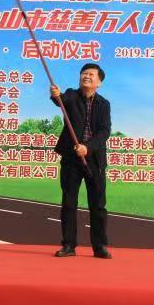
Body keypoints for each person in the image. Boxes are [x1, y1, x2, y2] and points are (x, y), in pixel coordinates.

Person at [50, 63, 112, 259]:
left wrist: (88, 147)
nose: (86, 76)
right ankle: (69, 245)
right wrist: (55, 94)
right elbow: (61, 100)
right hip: (71, 159)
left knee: (98, 205)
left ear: (99, 82)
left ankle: (99, 247)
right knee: (69, 203)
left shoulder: (104, 104)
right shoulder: (71, 95)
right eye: (84, 73)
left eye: (91, 74)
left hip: (94, 160)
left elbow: (104, 131)